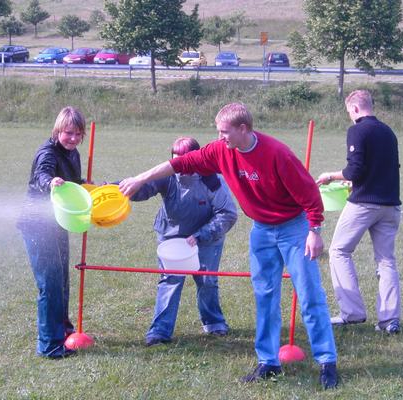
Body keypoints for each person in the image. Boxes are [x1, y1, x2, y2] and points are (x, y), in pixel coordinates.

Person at [119, 103, 338, 389]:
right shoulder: (220, 150)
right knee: (265, 295)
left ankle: (327, 362)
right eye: (218, 131)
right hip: (261, 229)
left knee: (309, 294)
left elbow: (310, 193)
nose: (219, 136)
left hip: (293, 227)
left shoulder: (277, 153)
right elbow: (178, 164)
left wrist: (315, 230)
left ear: (243, 129)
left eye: (224, 132)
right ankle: (268, 362)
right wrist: (139, 178)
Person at [128, 137, 238, 346]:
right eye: (175, 160)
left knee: (207, 280)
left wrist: (200, 235)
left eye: (185, 160)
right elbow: (143, 188)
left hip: (206, 239)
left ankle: (214, 323)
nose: (180, 166)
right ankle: (160, 331)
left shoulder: (212, 180)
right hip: (171, 237)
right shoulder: (166, 176)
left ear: (196, 158)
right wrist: (118, 189)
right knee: (170, 280)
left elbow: (228, 214)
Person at [316, 89, 402, 334]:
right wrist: (354, 181)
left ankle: (351, 313)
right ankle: (390, 320)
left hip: (365, 204)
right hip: (391, 205)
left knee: (339, 251)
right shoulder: (388, 131)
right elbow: (383, 168)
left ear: (354, 109)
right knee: (386, 261)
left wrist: (329, 176)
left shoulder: (357, 130)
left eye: (348, 112)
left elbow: (354, 170)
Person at [17, 106, 86, 358]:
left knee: (62, 282)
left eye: (79, 134)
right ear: (58, 130)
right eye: (69, 133)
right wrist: (51, 181)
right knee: (50, 286)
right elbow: (42, 175)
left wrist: (88, 186)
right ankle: (49, 345)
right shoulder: (47, 153)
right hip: (37, 226)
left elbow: (73, 184)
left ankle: (64, 331)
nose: (74, 139)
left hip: (58, 223)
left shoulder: (73, 153)